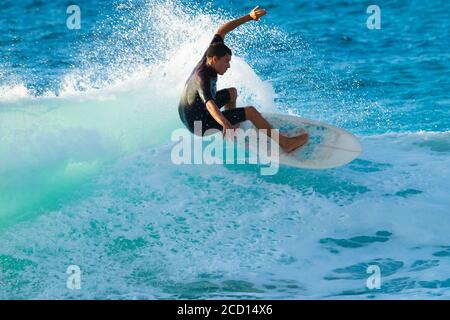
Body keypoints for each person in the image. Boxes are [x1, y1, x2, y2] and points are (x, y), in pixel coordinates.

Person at [178, 6, 308, 153]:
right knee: (251, 112)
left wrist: (249, 16)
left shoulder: (210, 55)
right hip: (198, 124)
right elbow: (209, 105)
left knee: (232, 93)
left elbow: (221, 31)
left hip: (192, 113)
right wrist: (225, 123)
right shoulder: (203, 77)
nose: (228, 65)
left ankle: (233, 131)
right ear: (215, 59)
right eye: (226, 61)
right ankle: (285, 144)